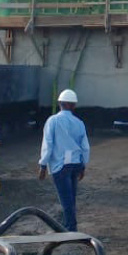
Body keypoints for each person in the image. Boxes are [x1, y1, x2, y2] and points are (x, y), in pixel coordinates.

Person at [38, 89, 90, 232]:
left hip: (60, 165)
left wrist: (43, 165)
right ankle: (69, 225)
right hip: (76, 164)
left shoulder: (53, 121)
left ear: (60, 103)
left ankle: (70, 228)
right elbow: (85, 147)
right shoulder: (79, 123)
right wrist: (83, 165)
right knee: (71, 198)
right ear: (73, 105)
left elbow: (48, 145)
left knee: (66, 199)